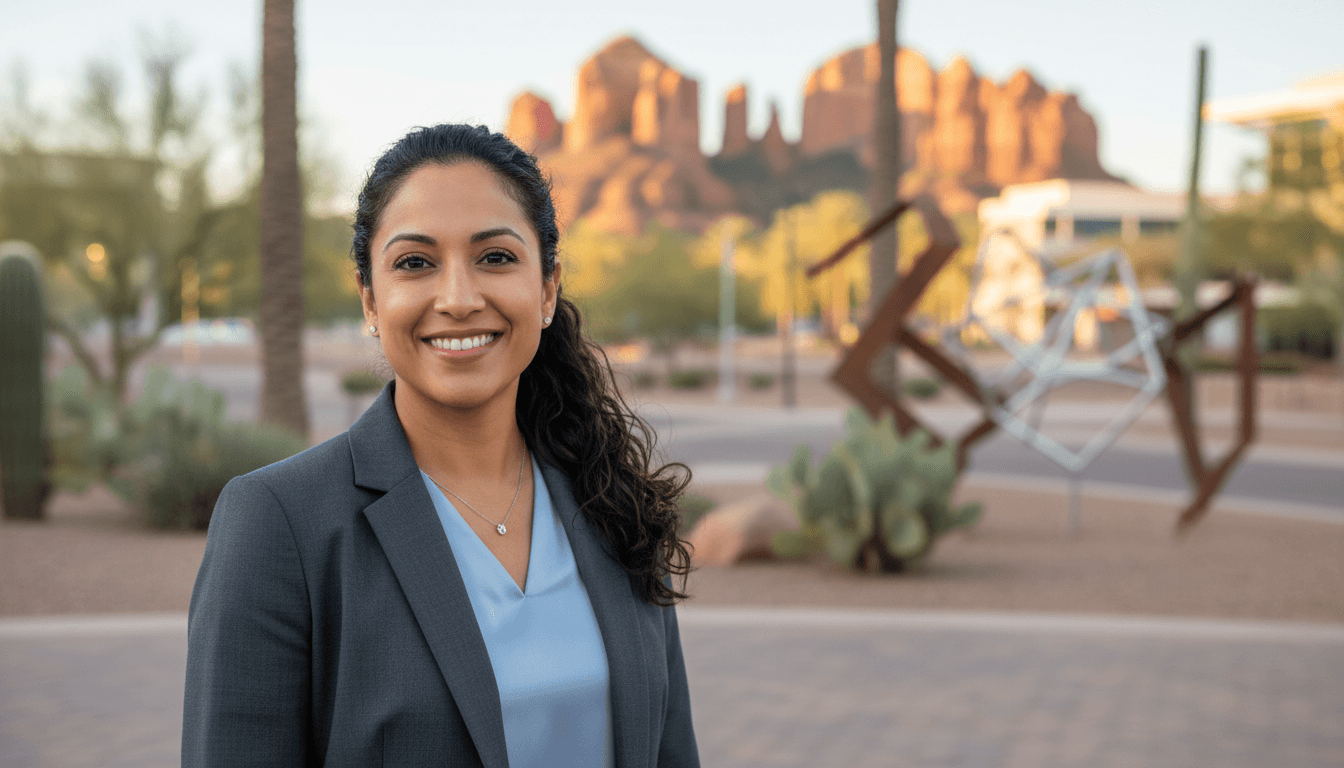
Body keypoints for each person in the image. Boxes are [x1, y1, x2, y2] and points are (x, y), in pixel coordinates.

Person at [182, 124, 699, 767]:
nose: (458, 298)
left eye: (496, 257)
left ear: (547, 289)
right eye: (415, 263)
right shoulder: (279, 524)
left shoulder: (612, 500)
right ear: (371, 299)